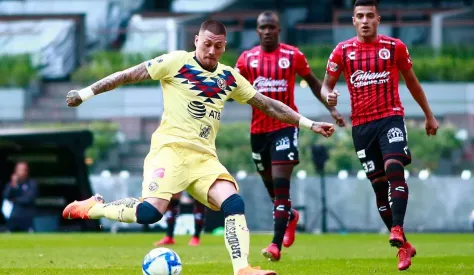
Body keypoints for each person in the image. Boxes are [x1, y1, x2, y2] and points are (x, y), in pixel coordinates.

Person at [62, 20, 335, 275]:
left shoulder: (228, 78)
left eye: (218, 46)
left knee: (234, 202)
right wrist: (85, 93)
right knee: (149, 213)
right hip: (170, 151)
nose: (212, 50)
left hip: (204, 158)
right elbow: (128, 75)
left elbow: (268, 104)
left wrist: (309, 124)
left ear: (224, 47)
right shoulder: (176, 62)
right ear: (196, 40)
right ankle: (95, 208)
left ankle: (242, 269)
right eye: (207, 44)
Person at [324, 0, 439, 271]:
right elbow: (326, 86)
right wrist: (328, 97)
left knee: (394, 168)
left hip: (390, 119)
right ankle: (404, 248)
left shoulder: (394, 47)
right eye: (360, 16)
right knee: (378, 187)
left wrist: (429, 115)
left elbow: (412, 82)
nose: (365, 20)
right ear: (353, 21)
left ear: (378, 19)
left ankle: (397, 228)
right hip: (361, 128)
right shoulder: (342, 51)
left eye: (369, 16)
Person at [234, 11, 346, 262]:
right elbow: (229, 84)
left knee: (281, 184)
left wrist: (332, 109)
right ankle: (291, 216)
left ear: (278, 30)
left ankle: (275, 245)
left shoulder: (292, 55)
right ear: (257, 30)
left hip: (285, 128)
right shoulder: (246, 59)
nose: (267, 31)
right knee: (272, 189)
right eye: (263, 27)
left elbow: (315, 83)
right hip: (258, 132)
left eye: (272, 27)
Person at [2, 161, 38, 232]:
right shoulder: (11, 184)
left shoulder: (32, 184)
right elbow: (6, 197)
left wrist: (14, 200)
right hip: (13, 218)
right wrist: (14, 185)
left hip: (27, 218)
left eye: (24, 170)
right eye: (19, 169)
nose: (21, 172)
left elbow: (28, 199)